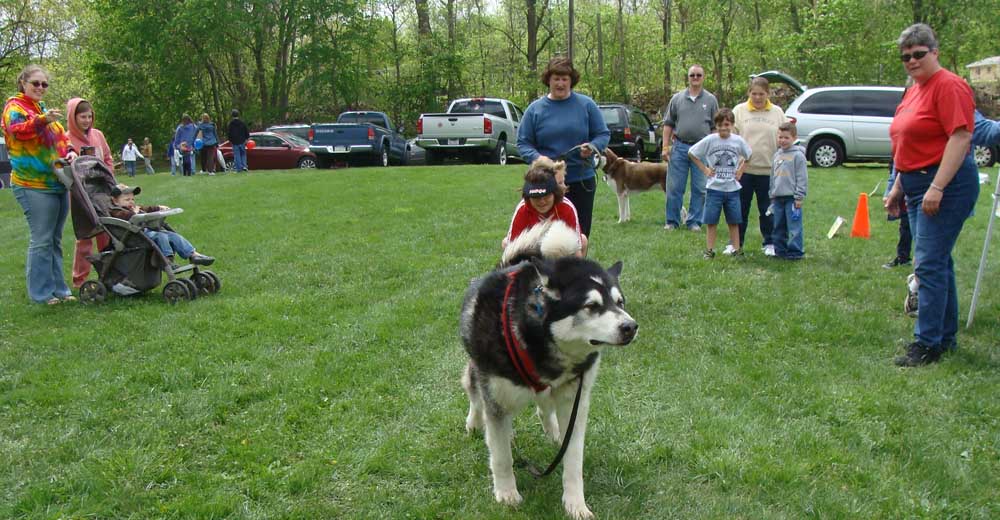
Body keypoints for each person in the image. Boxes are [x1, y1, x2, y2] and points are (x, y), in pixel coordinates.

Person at [884, 23, 979, 367]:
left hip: (945, 183)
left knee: (926, 263)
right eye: (906, 56)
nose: (911, 61)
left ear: (934, 52)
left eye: (918, 54)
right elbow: (904, 141)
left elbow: (960, 137)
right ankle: (945, 337)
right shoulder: (913, 89)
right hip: (913, 182)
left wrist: (937, 186)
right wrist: (897, 186)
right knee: (938, 261)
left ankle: (927, 344)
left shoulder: (949, 86)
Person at [2, 64, 78, 304]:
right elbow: (18, 132)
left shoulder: (42, 110)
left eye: (44, 84)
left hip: (57, 183)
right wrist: (42, 120)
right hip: (32, 184)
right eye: (36, 83)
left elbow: (61, 139)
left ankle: (60, 289)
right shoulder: (15, 107)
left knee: (54, 239)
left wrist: (72, 151)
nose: (40, 88)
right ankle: (41, 293)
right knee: (42, 239)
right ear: (23, 83)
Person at [517, 56, 609, 247]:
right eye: (556, 78)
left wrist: (592, 148)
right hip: (545, 184)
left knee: (579, 236)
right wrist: (538, 158)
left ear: (571, 81)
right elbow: (523, 143)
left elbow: (602, 134)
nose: (560, 83)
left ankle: (576, 273)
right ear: (548, 80)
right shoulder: (535, 110)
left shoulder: (586, 105)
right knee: (543, 238)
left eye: (565, 79)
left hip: (580, 180)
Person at [661, 64, 719, 231]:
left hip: (702, 149)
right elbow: (668, 124)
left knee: (700, 188)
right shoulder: (677, 99)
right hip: (679, 146)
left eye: (698, 75)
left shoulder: (710, 100)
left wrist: (714, 150)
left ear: (703, 77)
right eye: (692, 75)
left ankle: (694, 221)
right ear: (688, 77)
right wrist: (665, 147)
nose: (695, 78)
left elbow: (715, 127)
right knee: (674, 187)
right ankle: (672, 221)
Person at [687, 108, 751, 259]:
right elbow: (692, 152)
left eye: (727, 124)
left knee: (734, 221)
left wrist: (741, 170)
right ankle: (709, 250)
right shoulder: (710, 140)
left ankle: (736, 249)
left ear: (733, 125)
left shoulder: (738, 141)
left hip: (732, 189)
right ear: (715, 126)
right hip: (714, 188)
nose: (723, 128)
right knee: (711, 221)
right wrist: (705, 170)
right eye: (720, 125)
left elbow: (749, 155)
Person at [66, 97, 116, 289]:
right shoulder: (67, 138)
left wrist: (111, 179)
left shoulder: (98, 135)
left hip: (103, 190)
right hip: (81, 194)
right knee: (85, 237)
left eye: (89, 116)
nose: (86, 120)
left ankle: (108, 274)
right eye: (82, 117)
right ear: (73, 117)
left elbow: (108, 158)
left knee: (108, 232)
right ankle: (80, 279)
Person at [733, 76, 786, 256]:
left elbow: (784, 138)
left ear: (768, 94)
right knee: (740, 208)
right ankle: (736, 243)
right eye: (754, 94)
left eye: (761, 94)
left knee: (767, 209)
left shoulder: (777, 112)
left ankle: (769, 242)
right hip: (743, 171)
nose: (757, 98)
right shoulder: (739, 111)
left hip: (769, 170)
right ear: (749, 93)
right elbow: (730, 139)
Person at [109, 184, 214, 266]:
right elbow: (128, 217)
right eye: (127, 200)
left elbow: (147, 208)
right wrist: (135, 213)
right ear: (115, 201)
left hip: (147, 234)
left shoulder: (134, 207)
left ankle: (193, 255)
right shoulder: (117, 211)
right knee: (161, 235)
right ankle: (167, 261)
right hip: (134, 238)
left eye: (132, 199)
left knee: (173, 235)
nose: (131, 202)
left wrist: (159, 207)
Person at [503, 157, 586, 256]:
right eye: (536, 197)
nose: (542, 201)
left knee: (582, 240)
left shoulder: (567, 207)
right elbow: (512, 248)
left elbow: (576, 251)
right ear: (528, 197)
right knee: (505, 243)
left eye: (546, 196)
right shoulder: (522, 209)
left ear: (555, 193)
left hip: (559, 255)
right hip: (531, 254)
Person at [769, 122, 809, 260]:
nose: (783, 140)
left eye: (786, 138)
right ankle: (780, 250)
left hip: (792, 198)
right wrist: (772, 193)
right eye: (780, 137)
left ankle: (795, 252)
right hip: (778, 197)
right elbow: (773, 176)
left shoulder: (798, 156)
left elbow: (802, 177)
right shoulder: (777, 155)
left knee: (794, 227)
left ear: (794, 138)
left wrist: (799, 196)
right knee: (778, 225)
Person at [882, 161, 912, 269]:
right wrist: (888, 193)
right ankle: (903, 258)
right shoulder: (899, 152)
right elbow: (894, 174)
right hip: (905, 197)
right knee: (905, 228)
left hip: (917, 192)